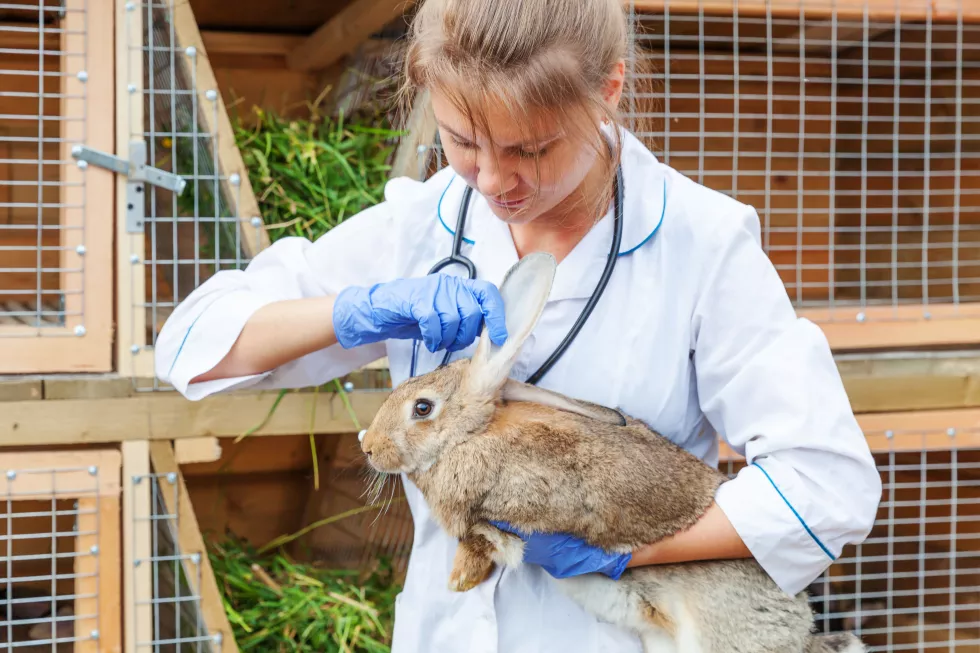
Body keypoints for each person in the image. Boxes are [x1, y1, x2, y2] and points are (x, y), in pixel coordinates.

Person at [154, 0, 882, 650]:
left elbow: (826, 482)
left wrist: (625, 549)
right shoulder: (422, 222)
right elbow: (194, 343)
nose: (496, 181)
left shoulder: (700, 241)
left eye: (530, 149)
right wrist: (356, 309)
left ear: (608, 92)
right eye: (463, 142)